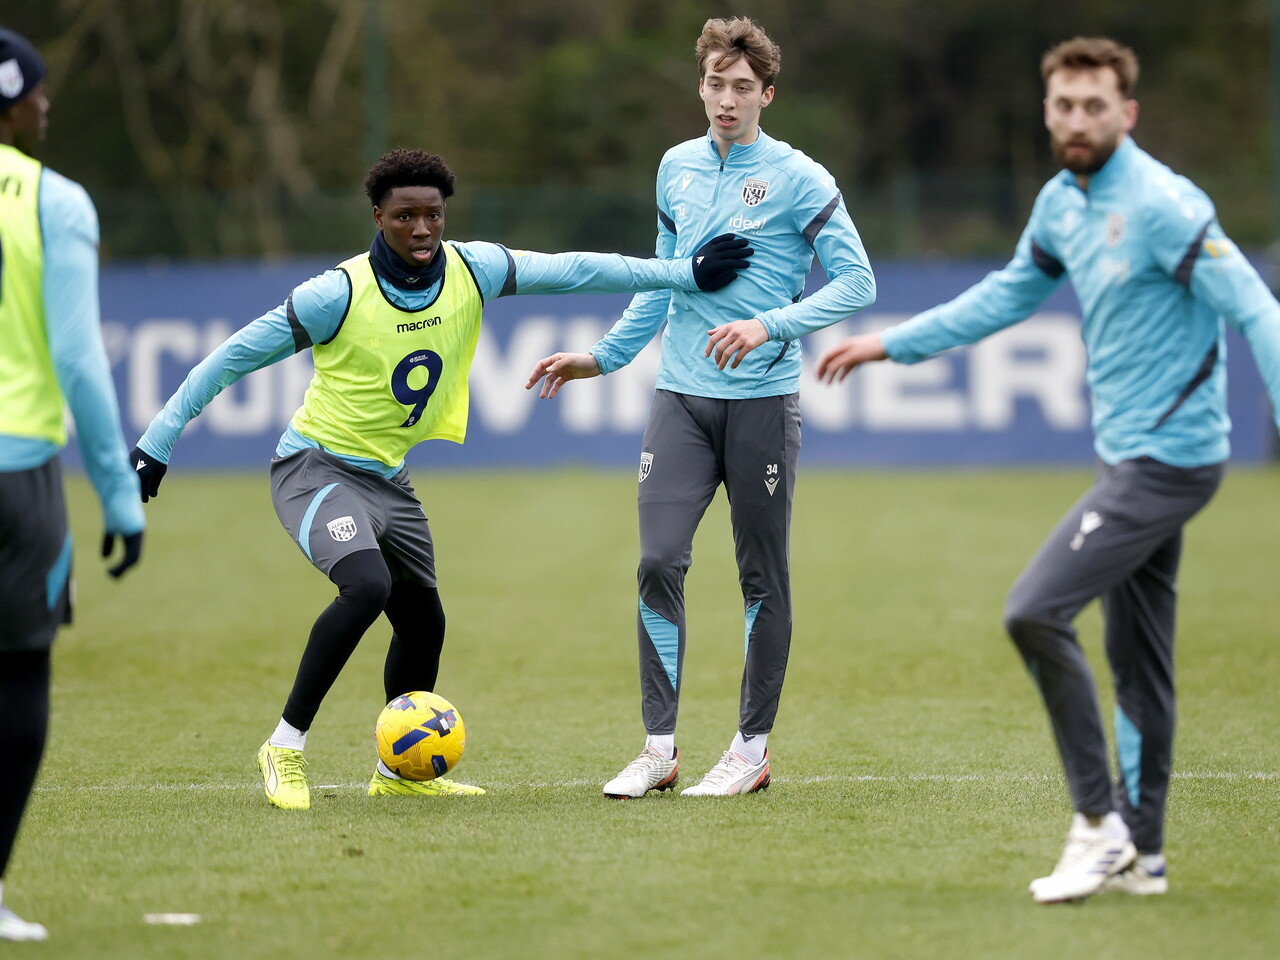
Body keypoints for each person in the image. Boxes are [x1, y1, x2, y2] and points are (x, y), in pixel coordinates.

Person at [130, 147, 752, 811]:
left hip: (389, 482)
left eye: (432, 214)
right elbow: (229, 359)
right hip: (314, 468)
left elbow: (576, 270)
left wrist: (682, 274)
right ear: (378, 216)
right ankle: (283, 746)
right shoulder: (335, 295)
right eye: (405, 216)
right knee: (365, 585)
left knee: (424, 623)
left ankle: (396, 772)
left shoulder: (472, 269)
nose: (422, 228)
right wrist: (157, 442)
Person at [816, 36, 1280, 903]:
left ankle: (1097, 826)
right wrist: (890, 342)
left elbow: (1256, 305)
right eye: (1063, 105)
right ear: (1046, 110)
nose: (1077, 120)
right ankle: (1145, 856)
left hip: (1169, 463)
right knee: (1138, 659)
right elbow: (1005, 297)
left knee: (1034, 611)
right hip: (1131, 458)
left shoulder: (1165, 205)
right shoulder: (1062, 205)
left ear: (1127, 113)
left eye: (1094, 106)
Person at [526, 17, 876, 799]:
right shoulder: (676, 167)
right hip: (678, 400)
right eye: (715, 85)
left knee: (762, 578)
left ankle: (750, 749)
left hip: (761, 406)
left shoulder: (802, 178)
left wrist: (768, 325)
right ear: (701, 86)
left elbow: (859, 284)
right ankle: (659, 749)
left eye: (742, 88)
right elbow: (663, 278)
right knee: (657, 560)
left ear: (768, 94)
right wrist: (604, 357)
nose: (726, 100)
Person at [0, 28, 145, 942]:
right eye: (39, 92)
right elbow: (80, 362)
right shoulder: (53, 201)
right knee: (16, 682)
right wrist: (118, 492)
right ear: (12, 100)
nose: (48, 105)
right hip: (18, 482)